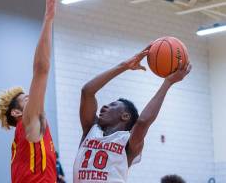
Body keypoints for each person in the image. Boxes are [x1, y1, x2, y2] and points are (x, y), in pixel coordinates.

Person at [73, 47, 192, 182]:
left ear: (125, 116)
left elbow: (143, 122)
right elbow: (87, 91)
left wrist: (168, 82)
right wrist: (124, 66)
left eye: (112, 105)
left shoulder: (128, 142)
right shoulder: (91, 129)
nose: (104, 106)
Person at [0, 0, 57, 182]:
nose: (34, 99)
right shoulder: (29, 121)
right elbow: (41, 69)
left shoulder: (30, 133)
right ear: (16, 112)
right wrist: (48, 19)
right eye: (27, 99)